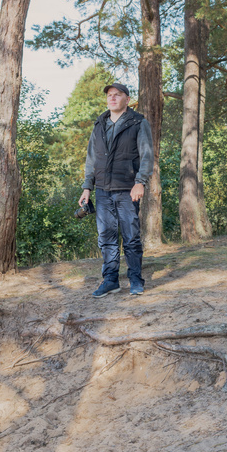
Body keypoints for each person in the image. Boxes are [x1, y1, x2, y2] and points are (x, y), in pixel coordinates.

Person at [78, 82, 154, 297]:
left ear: (127, 99)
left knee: (131, 236)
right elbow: (91, 158)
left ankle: (136, 280)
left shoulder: (138, 122)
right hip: (102, 190)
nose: (112, 98)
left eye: (117, 95)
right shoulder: (99, 123)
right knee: (106, 237)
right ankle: (110, 280)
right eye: (109, 95)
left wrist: (140, 182)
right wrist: (87, 188)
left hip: (127, 189)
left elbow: (147, 155)